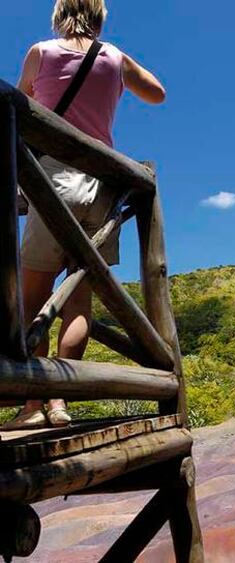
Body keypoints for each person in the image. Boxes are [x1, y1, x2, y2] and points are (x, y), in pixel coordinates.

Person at [2, 0, 166, 429]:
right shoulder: (113, 57)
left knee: (33, 297)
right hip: (103, 188)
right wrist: (118, 60)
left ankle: (33, 404)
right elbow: (156, 93)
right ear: (100, 17)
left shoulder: (42, 51)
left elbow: (21, 109)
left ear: (59, 15)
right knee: (78, 298)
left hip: (52, 180)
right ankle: (60, 402)